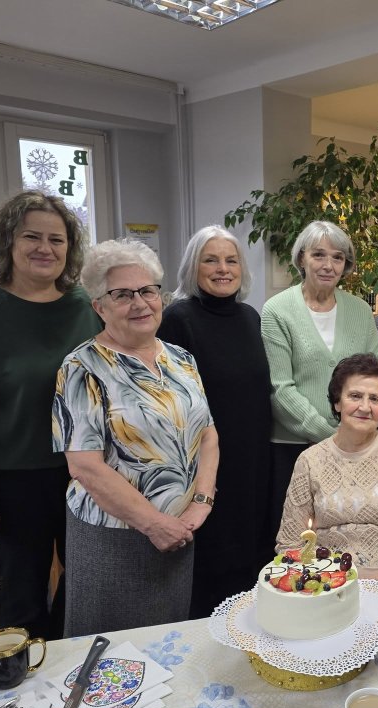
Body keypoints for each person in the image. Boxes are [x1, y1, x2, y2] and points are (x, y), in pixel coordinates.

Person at [0, 191, 101, 640]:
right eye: (32, 236)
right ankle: (24, 692)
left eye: (57, 239)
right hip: (15, 482)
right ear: (8, 241)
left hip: (87, 476)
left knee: (86, 586)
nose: (45, 248)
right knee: (22, 599)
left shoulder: (88, 307)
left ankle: (74, 681)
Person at [53, 239, 219, 636]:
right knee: (107, 656)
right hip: (116, 540)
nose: (140, 302)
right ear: (100, 307)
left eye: (147, 291)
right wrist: (154, 525)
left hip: (180, 533)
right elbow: (84, 467)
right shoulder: (81, 368)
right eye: (122, 294)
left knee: (168, 642)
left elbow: (208, 435)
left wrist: (200, 504)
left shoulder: (180, 359)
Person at [276, 354, 378, 634]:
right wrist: (333, 576)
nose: (365, 407)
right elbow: (289, 542)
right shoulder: (310, 461)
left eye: (375, 399)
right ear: (337, 402)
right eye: (355, 396)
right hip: (327, 586)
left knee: (371, 629)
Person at [157, 225, 272, 617]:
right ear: (193, 267)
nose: (223, 269)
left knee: (250, 557)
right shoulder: (177, 319)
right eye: (211, 260)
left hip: (253, 460)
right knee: (211, 564)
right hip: (204, 465)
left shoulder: (249, 316)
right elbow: (171, 404)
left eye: (231, 260)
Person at [261, 221, 378, 538]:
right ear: (301, 259)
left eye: (338, 257)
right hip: (292, 449)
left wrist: (350, 435)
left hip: (353, 448)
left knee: (345, 536)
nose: (328, 265)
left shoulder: (360, 310)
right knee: (296, 541)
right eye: (318, 255)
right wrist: (329, 434)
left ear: (346, 265)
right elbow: (279, 388)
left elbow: (373, 378)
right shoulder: (277, 310)